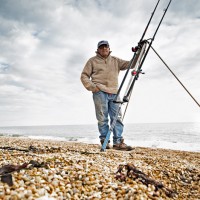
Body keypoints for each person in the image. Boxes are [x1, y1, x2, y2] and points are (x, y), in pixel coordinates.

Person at [80, 40, 133, 151]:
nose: (104, 49)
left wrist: (138, 52)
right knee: (102, 118)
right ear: (98, 49)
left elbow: (131, 64)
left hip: (114, 92)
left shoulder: (115, 60)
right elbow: (84, 76)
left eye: (106, 47)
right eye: (102, 47)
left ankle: (118, 142)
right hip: (99, 92)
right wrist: (93, 87)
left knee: (117, 118)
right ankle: (104, 140)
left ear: (109, 48)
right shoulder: (92, 61)